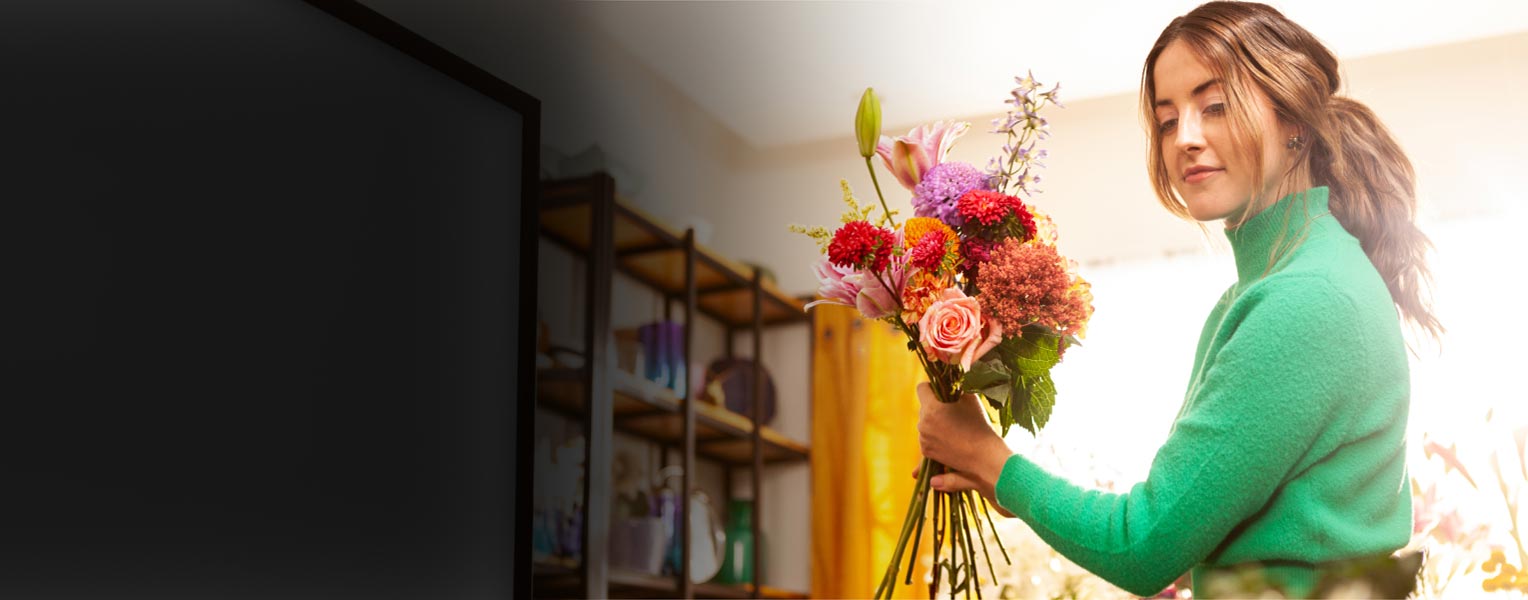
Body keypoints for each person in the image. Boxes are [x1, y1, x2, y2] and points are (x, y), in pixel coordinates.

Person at [914, 2, 1442, 598]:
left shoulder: (1306, 299)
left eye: (1214, 106)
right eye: (1167, 121)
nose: (1186, 138)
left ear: (1293, 119)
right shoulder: (1266, 290)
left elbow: (1144, 547)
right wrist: (1008, 487)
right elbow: (1192, 533)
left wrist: (987, 458)